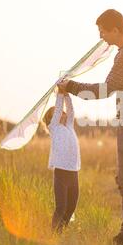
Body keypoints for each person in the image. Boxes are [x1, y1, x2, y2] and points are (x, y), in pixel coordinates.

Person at [57, 9, 123, 245]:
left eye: (102, 30)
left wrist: (70, 86)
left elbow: (105, 89)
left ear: (115, 29)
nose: (101, 36)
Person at [42, 89, 81, 233]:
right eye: (57, 114)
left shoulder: (69, 126)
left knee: (71, 206)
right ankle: (54, 233)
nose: (62, 113)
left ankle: (61, 231)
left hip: (73, 172)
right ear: (51, 120)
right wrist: (59, 95)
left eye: (62, 112)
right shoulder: (55, 128)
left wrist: (66, 94)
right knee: (61, 207)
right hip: (61, 173)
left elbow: (70, 110)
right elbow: (58, 109)